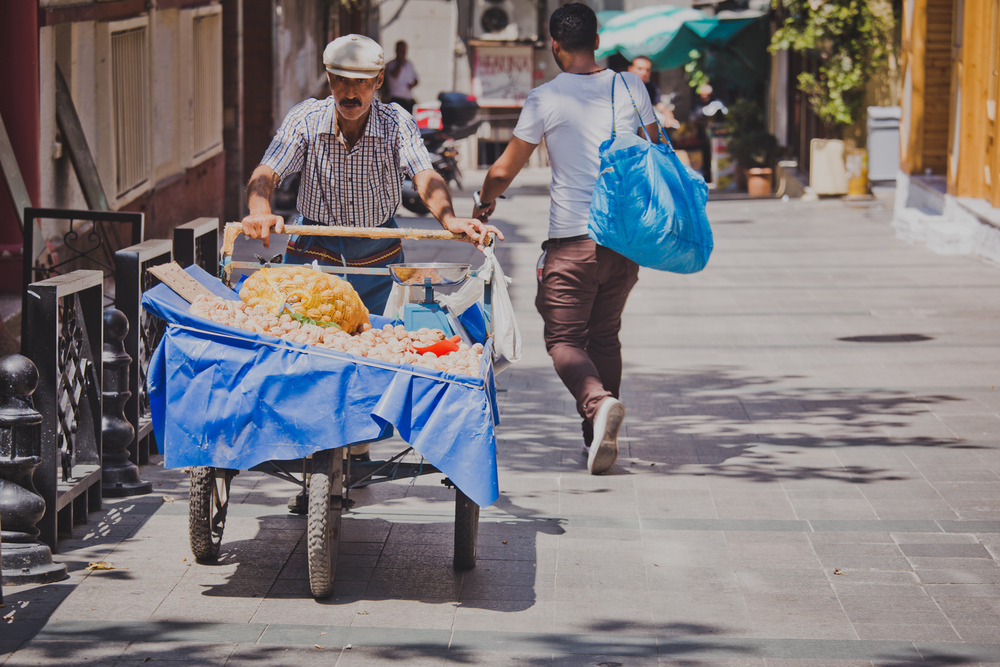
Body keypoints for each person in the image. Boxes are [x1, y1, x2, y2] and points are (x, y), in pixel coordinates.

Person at [473, 2, 659, 475]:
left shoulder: (545, 98)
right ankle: (594, 438)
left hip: (573, 240)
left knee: (562, 340)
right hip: (623, 240)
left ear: (555, 46)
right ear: (598, 41)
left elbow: (503, 169)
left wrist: (484, 201)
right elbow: (655, 148)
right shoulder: (630, 84)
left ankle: (597, 405)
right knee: (604, 336)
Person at [240, 34, 501, 317]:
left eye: (361, 82)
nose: (350, 93)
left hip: (378, 254)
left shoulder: (397, 123)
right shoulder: (305, 119)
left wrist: (449, 219)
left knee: (377, 338)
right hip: (314, 248)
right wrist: (260, 210)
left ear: (378, 81)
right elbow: (268, 171)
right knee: (305, 332)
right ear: (329, 78)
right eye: (341, 80)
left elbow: (424, 176)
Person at [385, 40, 419, 114]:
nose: (402, 53)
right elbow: (395, 74)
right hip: (396, 100)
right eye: (400, 50)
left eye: (404, 51)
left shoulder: (409, 64)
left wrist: (413, 84)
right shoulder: (390, 64)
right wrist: (400, 62)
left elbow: (416, 78)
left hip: (407, 100)